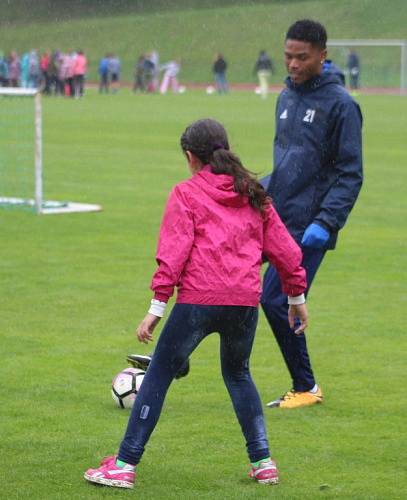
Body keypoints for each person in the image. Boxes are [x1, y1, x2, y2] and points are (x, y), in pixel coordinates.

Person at [84, 118, 308, 489]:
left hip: (198, 302)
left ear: (190, 157)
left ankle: (124, 465)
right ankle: (264, 462)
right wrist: (296, 296)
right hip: (243, 303)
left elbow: (172, 254)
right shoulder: (254, 194)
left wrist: (156, 308)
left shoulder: (186, 194)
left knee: (158, 373)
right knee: (238, 375)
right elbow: (285, 250)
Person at [261, 19, 363, 409]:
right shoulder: (285, 98)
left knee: (274, 300)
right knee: (225, 279)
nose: (293, 64)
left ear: (322, 54)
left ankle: (306, 386)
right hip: (273, 216)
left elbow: (350, 173)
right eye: (288, 56)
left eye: (302, 57)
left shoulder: (342, 105)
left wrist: (326, 221)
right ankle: (176, 363)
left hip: (308, 227)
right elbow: (287, 162)